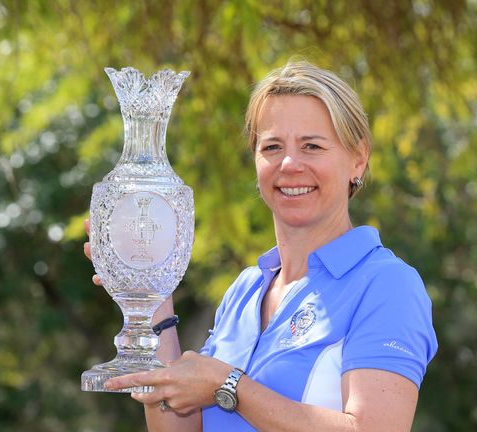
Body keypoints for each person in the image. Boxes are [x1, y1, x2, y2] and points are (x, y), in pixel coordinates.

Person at [85, 60, 438, 431]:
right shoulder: (246, 289)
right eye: (271, 147)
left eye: (312, 146)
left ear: (358, 159)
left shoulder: (387, 284)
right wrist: (152, 295)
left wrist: (229, 386)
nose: (289, 163)